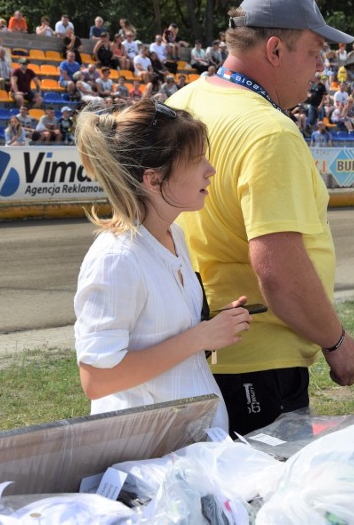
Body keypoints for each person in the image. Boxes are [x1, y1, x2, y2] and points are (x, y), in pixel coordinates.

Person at [167, 0, 354, 436]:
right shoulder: (269, 131)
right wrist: (336, 342)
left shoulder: (183, 102)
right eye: (315, 52)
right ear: (275, 49)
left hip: (194, 353)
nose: (321, 68)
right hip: (259, 361)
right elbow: (279, 271)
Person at [73, 99, 252, 432]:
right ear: (153, 180)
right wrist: (200, 337)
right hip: (147, 459)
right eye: (197, 160)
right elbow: (97, 379)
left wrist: (211, 332)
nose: (210, 169)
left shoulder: (174, 236)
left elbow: (164, 338)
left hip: (189, 451)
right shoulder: (116, 260)